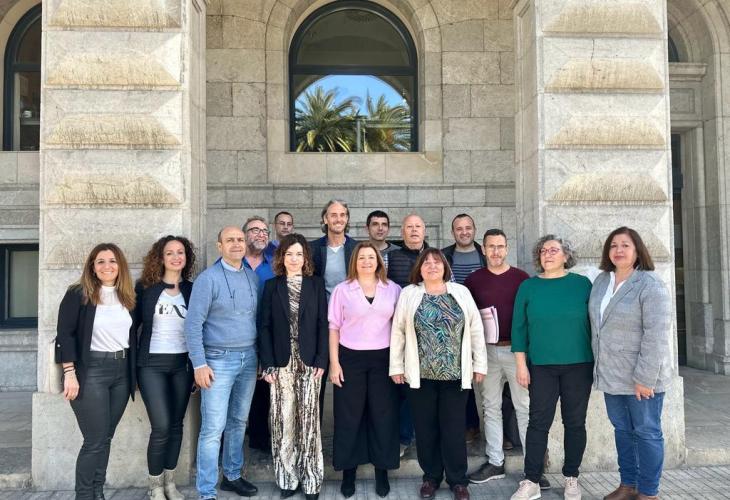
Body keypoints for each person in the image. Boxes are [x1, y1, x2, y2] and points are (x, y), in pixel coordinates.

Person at [390, 248, 488, 500]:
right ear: (419, 269)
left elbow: (476, 329)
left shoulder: (461, 292)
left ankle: (458, 481)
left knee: (453, 430)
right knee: (426, 430)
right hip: (420, 376)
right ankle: (431, 478)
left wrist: (479, 364)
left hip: (455, 376)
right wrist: (396, 367)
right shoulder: (410, 293)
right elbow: (398, 331)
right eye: (427, 262)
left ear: (445, 267)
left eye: (437, 262)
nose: (432, 265)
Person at [589, 227, 672, 500]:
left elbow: (656, 335)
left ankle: (648, 492)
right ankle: (628, 485)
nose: (619, 250)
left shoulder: (650, 284)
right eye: (613, 245)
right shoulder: (602, 281)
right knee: (623, 432)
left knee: (647, 433)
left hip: (641, 379)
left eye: (625, 245)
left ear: (637, 251)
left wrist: (645, 378)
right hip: (611, 375)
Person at [510, 235, 593, 500]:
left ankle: (571, 478)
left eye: (554, 250)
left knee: (575, 423)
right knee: (538, 423)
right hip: (541, 366)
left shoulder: (582, 284)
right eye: (543, 250)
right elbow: (519, 328)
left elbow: (596, 324)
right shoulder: (528, 287)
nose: (547, 254)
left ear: (566, 255)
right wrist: (521, 365)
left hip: (579, 364)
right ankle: (531, 480)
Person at [55, 243, 137, 500]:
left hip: (122, 372)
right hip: (91, 372)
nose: (107, 266)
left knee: (105, 437)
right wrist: (69, 372)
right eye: (100, 261)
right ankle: (83, 495)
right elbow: (65, 334)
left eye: (112, 261)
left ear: (120, 265)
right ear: (92, 266)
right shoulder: (78, 294)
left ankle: (97, 492)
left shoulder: (128, 296)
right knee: (94, 440)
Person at [184, 226, 260, 500]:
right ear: (219, 246)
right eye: (230, 240)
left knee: (238, 421)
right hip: (217, 360)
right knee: (213, 428)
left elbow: (255, 320)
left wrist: (259, 356)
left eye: (240, 239)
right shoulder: (208, 279)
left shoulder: (252, 277)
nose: (236, 244)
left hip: (248, 359)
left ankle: (232, 475)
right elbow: (193, 324)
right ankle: (206, 491)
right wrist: (199, 364)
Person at [328, 242, 402, 498]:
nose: (367, 262)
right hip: (350, 358)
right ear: (354, 262)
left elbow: (400, 327)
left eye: (371, 257)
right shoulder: (342, 290)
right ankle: (348, 473)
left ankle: (382, 471)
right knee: (349, 417)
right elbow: (334, 328)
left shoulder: (392, 289)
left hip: (384, 359)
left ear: (379, 261)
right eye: (362, 258)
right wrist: (334, 363)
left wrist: (399, 363)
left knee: (383, 416)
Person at [258, 233, 328, 500]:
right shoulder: (272, 286)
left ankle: (311, 481)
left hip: (310, 363)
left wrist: (322, 359)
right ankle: (287, 479)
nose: (294, 259)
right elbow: (264, 327)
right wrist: (268, 365)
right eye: (289, 254)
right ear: (281, 257)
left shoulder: (316, 285)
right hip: (280, 364)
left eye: (299, 254)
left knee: (309, 422)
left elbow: (323, 324)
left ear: (306, 257)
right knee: (283, 421)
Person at [135, 236, 196, 500]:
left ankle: (169, 483)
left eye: (180, 252)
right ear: (160, 257)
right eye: (169, 253)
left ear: (186, 257)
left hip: (182, 365)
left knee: (176, 426)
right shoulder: (145, 288)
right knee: (161, 426)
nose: (175, 257)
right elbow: (131, 327)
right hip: (151, 365)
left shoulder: (193, 289)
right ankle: (155, 487)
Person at [386, 213, 428, 454]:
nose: (414, 230)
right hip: (399, 332)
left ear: (424, 231)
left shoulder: (435, 257)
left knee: (424, 388)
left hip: (429, 334)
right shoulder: (391, 258)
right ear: (402, 232)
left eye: (418, 226)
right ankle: (402, 438)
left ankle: (422, 435)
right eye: (409, 227)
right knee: (402, 387)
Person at [442, 213, 485, 443]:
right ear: (453, 232)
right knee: (462, 377)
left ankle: (504, 431)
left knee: (491, 379)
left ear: (474, 229)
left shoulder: (485, 254)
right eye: (459, 228)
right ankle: (470, 425)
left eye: (468, 227)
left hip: (485, 322)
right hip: (453, 325)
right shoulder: (444, 256)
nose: (464, 232)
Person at [242, 216, 276, 453]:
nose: (261, 234)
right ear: (244, 235)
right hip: (238, 337)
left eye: (265, 231)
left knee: (263, 391)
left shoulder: (274, 267)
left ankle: (259, 440)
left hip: (266, 336)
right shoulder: (230, 264)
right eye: (255, 230)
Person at [310, 199, 358, 299]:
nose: (338, 219)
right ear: (325, 219)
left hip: (350, 306)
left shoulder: (357, 248)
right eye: (333, 215)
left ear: (347, 219)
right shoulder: (312, 249)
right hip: (323, 307)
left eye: (342, 215)